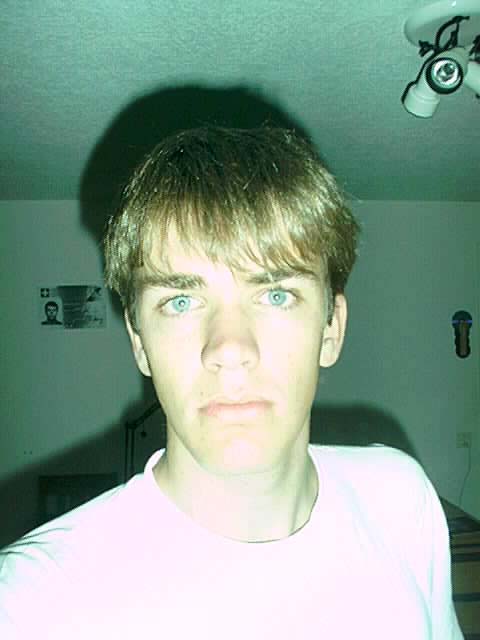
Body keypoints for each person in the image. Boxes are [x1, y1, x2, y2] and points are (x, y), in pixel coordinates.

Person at [0, 126, 462, 639]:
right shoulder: (33, 603)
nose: (229, 348)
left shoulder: (401, 500)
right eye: (181, 301)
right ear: (139, 342)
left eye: (276, 295)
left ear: (331, 330)